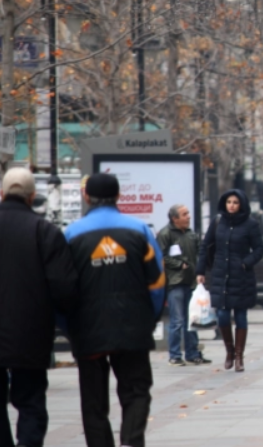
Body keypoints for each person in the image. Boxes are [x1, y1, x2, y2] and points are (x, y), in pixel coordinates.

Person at [64, 173, 165, 447]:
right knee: (136, 390)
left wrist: (69, 326)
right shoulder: (140, 230)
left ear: (87, 196)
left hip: (88, 329)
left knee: (93, 401)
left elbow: (61, 286)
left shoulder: (71, 235)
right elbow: (157, 283)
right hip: (133, 327)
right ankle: (131, 441)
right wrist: (149, 319)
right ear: (119, 196)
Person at [0, 169, 78, 447]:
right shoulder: (44, 231)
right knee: (31, 400)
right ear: (32, 196)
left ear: (2, 194)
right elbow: (64, 286)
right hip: (30, 331)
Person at [197, 189, 263, 373]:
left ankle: (239, 357)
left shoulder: (250, 224)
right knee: (222, 315)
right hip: (220, 275)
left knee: (241, 316)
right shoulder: (218, 222)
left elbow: (259, 248)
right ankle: (230, 351)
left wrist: (245, 263)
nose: (232, 206)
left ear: (241, 204)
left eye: (235, 202)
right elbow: (205, 246)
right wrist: (200, 271)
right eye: (229, 202)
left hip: (242, 277)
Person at [156, 204, 211, 367]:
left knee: (192, 319)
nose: (188, 216)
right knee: (177, 321)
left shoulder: (191, 234)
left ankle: (192, 354)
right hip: (175, 283)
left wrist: (200, 271)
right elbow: (160, 256)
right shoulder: (165, 233)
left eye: (188, 213)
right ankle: (174, 355)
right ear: (175, 219)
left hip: (192, 282)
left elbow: (200, 253)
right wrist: (179, 264)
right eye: (184, 214)